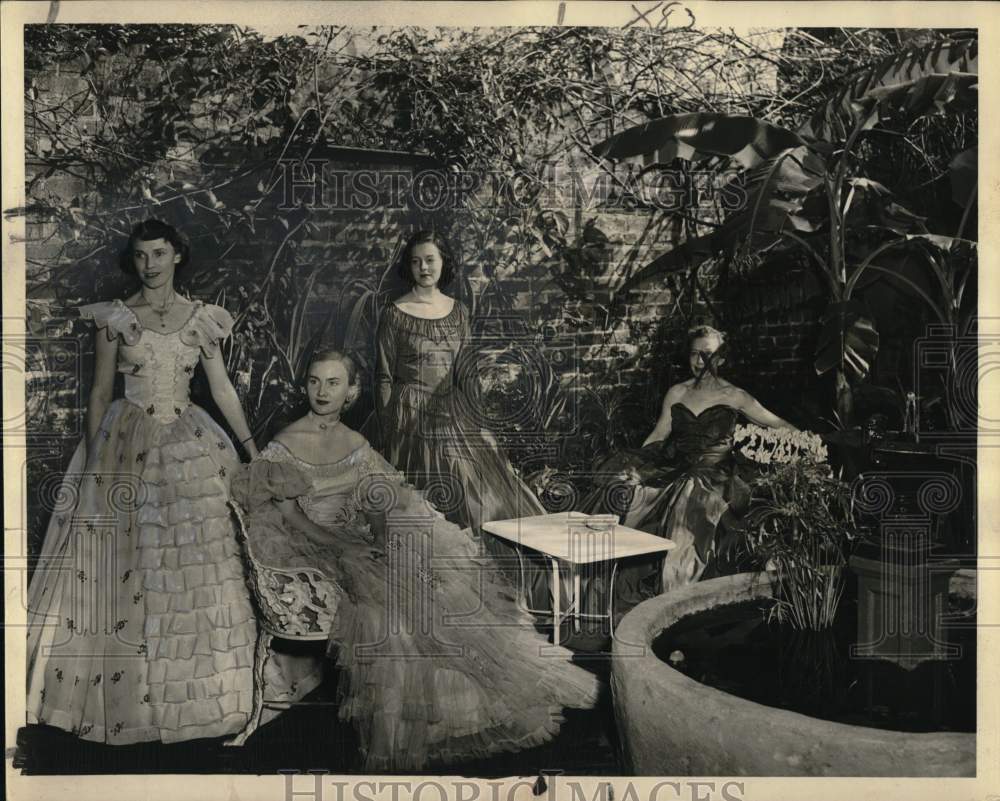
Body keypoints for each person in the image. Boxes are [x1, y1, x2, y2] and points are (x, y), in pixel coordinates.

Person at [230, 350, 600, 772]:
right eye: (314, 381)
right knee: (389, 606)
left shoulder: (355, 442)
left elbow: (381, 497)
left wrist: (383, 538)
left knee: (435, 575)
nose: (322, 392)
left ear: (351, 391)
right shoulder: (286, 443)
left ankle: (468, 705)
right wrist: (345, 546)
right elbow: (292, 516)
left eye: (333, 383)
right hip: (315, 543)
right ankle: (412, 726)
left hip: (357, 536)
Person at [25, 219, 317, 745]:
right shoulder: (116, 318)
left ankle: (214, 697)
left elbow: (222, 388)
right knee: (131, 563)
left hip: (190, 442)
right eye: (140, 256)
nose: (150, 264)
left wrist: (252, 451)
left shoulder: (201, 319)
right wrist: (95, 463)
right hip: (127, 441)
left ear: (177, 256)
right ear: (132, 260)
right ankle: (135, 704)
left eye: (159, 254)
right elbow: (98, 392)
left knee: (205, 564)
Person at [374, 230, 553, 609]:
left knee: (479, 498)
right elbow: (385, 377)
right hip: (409, 417)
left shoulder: (458, 311)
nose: (424, 267)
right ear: (408, 267)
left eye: (431, 260)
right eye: (416, 261)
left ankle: (491, 594)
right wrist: (390, 431)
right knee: (424, 505)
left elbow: (466, 371)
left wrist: (477, 418)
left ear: (444, 263)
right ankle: (435, 594)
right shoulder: (393, 313)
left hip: (453, 413)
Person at [585, 325, 796, 608]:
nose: (700, 361)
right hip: (677, 468)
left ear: (720, 359)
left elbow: (778, 424)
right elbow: (660, 434)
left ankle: (682, 600)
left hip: (717, 476)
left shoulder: (735, 395)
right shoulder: (677, 392)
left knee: (697, 510)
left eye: (708, 354)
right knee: (630, 494)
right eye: (695, 354)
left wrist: (813, 441)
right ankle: (627, 592)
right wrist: (639, 462)